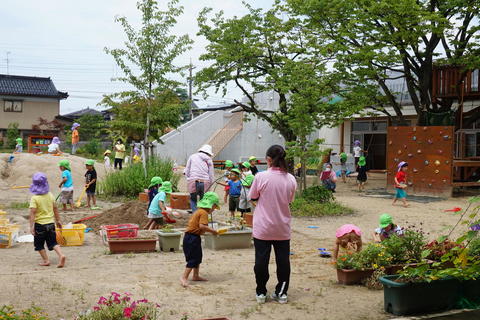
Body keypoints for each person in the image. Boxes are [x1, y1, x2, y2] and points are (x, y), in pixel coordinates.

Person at [249, 145, 297, 304]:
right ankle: (281, 293)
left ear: (268, 159)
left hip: (263, 228)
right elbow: (289, 200)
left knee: (261, 261)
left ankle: (261, 292)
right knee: (283, 262)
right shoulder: (290, 178)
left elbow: (253, 197)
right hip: (282, 228)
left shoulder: (260, 177)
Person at [180, 192, 219, 287]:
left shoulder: (199, 211)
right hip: (192, 237)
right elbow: (202, 226)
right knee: (193, 258)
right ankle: (184, 277)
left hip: (192, 237)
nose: (214, 210)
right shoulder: (204, 213)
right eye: (214, 207)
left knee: (197, 257)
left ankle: (196, 275)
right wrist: (214, 231)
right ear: (211, 205)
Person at [29, 172, 66, 268]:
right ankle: (61, 255)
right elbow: (55, 209)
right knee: (53, 242)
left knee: (39, 245)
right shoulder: (50, 195)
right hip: (51, 224)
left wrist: (31, 226)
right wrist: (58, 220)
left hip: (40, 225)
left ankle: (46, 260)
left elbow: (32, 212)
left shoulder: (34, 198)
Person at [184, 145, 214, 212]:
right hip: (205, 182)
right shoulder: (209, 159)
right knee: (203, 201)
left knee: (193, 199)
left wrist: (189, 178)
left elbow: (187, 170)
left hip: (193, 181)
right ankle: (202, 215)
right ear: (208, 153)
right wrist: (211, 182)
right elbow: (211, 173)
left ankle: (195, 214)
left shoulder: (192, 156)